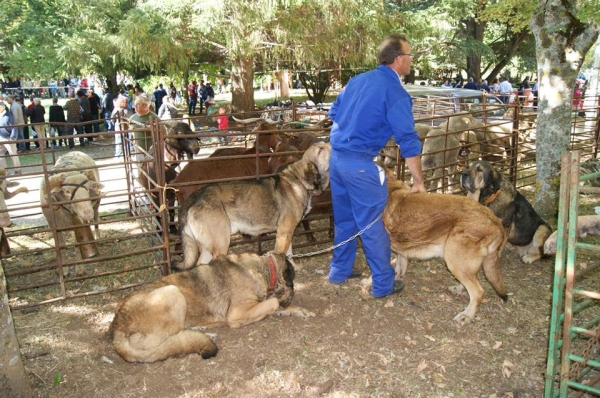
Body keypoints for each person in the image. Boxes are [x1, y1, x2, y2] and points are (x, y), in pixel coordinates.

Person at [327, 33, 426, 299]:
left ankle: (339, 270)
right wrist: (418, 182)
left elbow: (334, 112)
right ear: (398, 60)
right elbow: (408, 139)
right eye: (409, 55)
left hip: (336, 160)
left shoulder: (357, 80)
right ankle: (383, 284)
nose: (411, 60)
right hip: (359, 165)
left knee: (345, 220)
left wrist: (350, 130)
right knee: (372, 226)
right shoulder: (395, 92)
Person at [129, 93, 158, 159]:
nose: (134, 106)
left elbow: (162, 132)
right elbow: (131, 133)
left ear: (145, 106)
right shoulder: (132, 118)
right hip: (138, 149)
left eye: (137, 105)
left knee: (153, 167)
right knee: (141, 167)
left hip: (153, 150)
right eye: (134, 105)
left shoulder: (155, 118)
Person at [0, 101, 22, 174]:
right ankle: (4, 171)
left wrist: (12, 138)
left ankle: (18, 170)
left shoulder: (8, 116)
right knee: (1, 155)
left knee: (13, 154)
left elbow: (14, 127)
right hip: (1, 137)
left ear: (2, 107)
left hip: (8, 137)